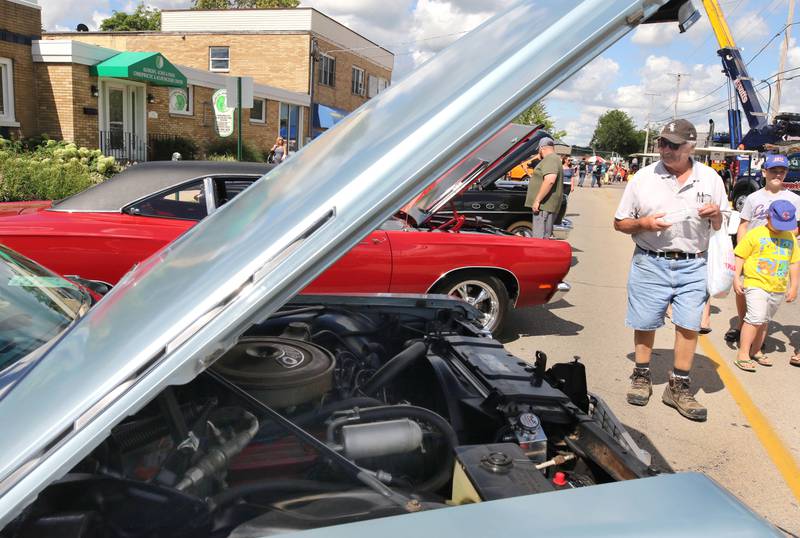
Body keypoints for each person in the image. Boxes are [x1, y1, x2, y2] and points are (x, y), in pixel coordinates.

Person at [613, 118, 728, 422]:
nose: (665, 149)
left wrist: (716, 215)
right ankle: (641, 375)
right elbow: (620, 222)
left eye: (673, 145)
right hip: (651, 262)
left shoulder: (711, 180)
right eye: (662, 143)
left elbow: (722, 224)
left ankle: (678, 386)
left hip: (694, 264)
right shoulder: (642, 178)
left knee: (689, 325)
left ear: (691, 147)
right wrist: (644, 224)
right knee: (645, 321)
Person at [725, 155, 800, 355]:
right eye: (773, 170)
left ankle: (757, 337)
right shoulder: (754, 197)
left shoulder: (794, 199)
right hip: (753, 252)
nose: (778, 174)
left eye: (782, 171)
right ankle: (743, 325)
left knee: (769, 296)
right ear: (764, 172)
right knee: (744, 291)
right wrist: (742, 249)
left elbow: (797, 228)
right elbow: (744, 224)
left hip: (776, 256)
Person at [732, 200, 800, 371]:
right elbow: (740, 255)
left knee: (764, 320)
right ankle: (743, 354)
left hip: (777, 286)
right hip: (756, 283)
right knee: (755, 317)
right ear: (768, 216)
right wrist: (736, 278)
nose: (780, 227)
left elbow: (794, 262)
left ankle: (756, 350)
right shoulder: (755, 234)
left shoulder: (790, 237)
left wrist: (794, 286)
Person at [525, 137, 563, 239]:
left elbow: (550, 180)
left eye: (539, 150)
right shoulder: (554, 159)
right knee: (543, 236)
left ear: (542, 148)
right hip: (546, 205)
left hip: (544, 206)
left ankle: (538, 254)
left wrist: (537, 200)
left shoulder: (550, 159)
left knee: (540, 237)